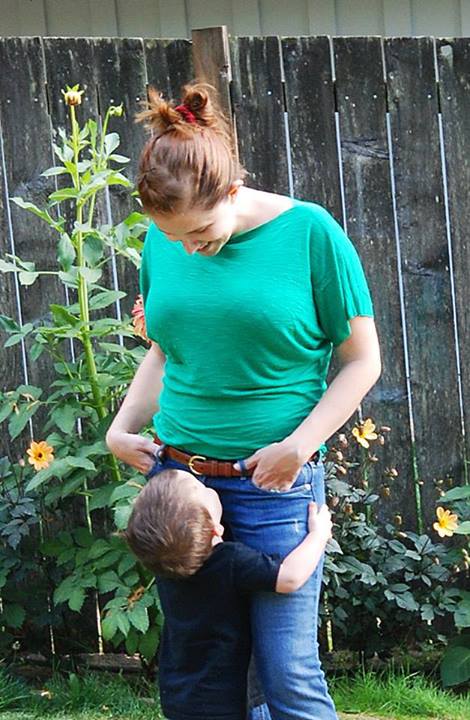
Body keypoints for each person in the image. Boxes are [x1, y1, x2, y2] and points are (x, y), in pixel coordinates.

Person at [106, 81, 381, 720]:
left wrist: (298, 448)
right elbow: (167, 351)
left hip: (272, 484)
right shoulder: (165, 239)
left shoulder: (310, 233)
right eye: (172, 236)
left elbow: (362, 361)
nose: (188, 248)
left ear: (232, 191)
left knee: (287, 673)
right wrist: (122, 428)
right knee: (212, 665)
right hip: (178, 488)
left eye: (200, 231)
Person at [123, 467, 332, 720]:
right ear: (215, 529)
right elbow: (290, 577)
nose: (206, 485)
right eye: (201, 488)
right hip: (226, 702)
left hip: (180, 697)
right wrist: (318, 536)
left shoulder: (166, 564)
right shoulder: (230, 561)